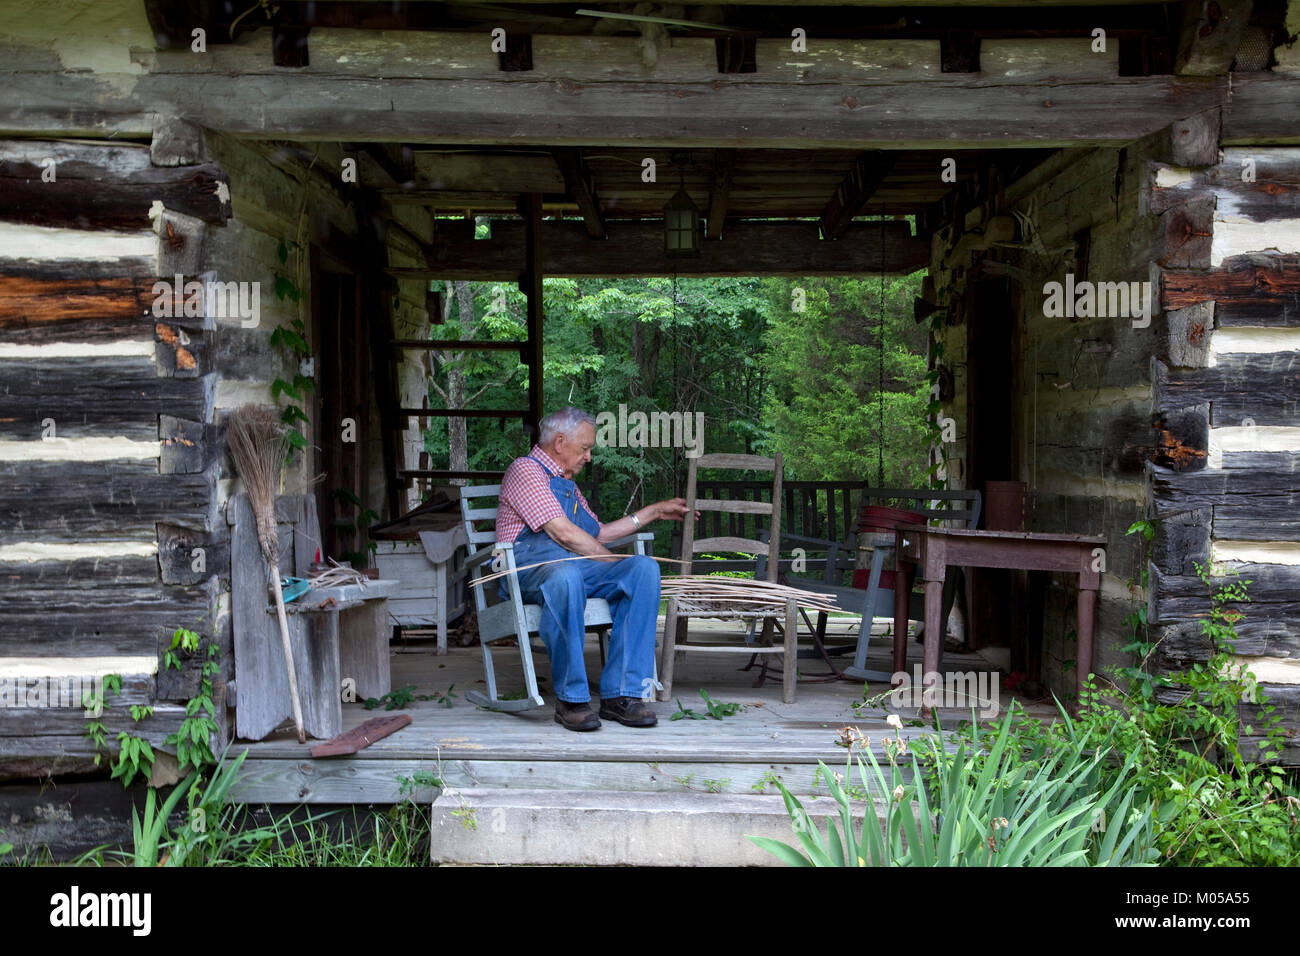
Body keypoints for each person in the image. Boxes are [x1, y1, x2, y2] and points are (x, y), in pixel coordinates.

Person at [496, 407, 692, 732]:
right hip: (528, 569)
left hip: (572, 565)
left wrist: (654, 511)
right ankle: (571, 699)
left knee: (642, 570)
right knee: (567, 574)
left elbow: (596, 534)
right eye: (585, 448)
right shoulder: (526, 471)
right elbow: (563, 534)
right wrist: (612, 563)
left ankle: (622, 695)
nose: (589, 457)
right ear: (560, 442)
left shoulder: (567, 486)